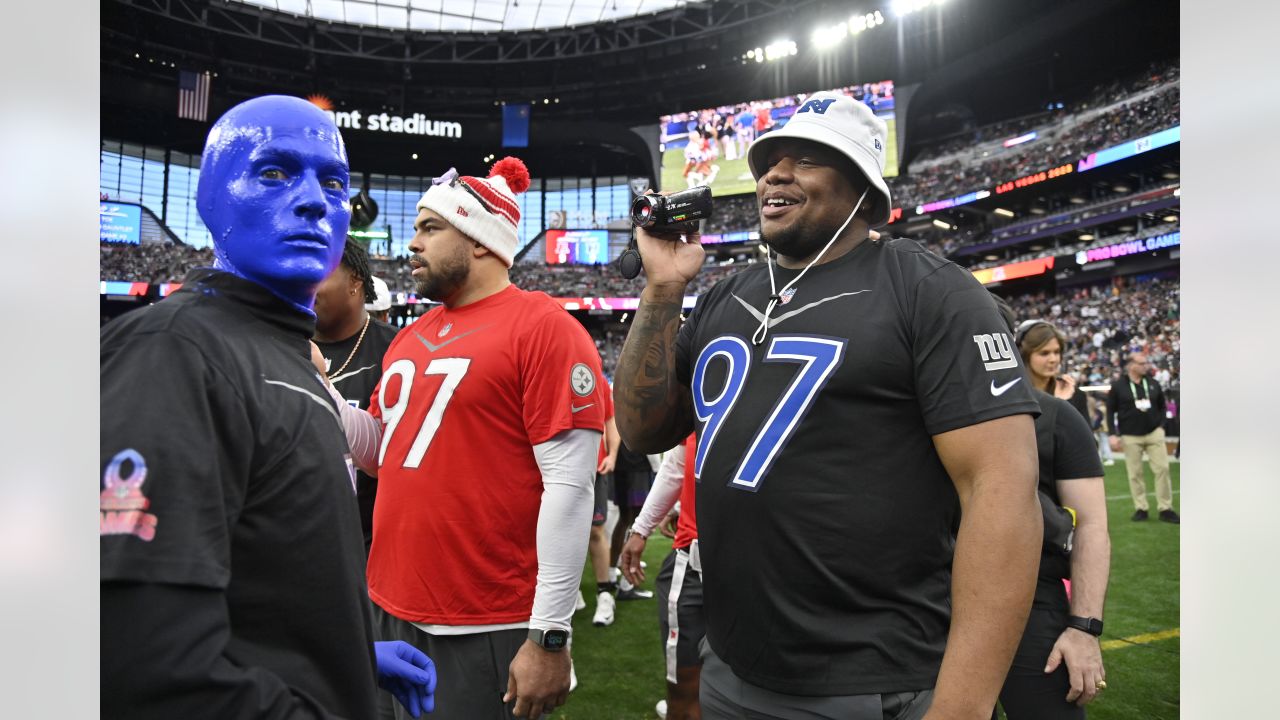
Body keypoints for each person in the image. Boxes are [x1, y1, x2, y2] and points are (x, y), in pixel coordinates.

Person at [612, 90, 1042, 720]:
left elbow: (1002, 491)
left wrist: (963, 707)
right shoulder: (726, 295)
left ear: (864, 190)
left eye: (807, 159)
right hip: (731, 667)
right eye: (770, 162)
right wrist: (662, 289)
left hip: (870, 681)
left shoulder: (928, 289)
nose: (774, 174)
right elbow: (643, 428)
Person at [101, 95, 435, 718]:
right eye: (275, 172)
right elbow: (138, 661)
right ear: (210, 198)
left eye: (333, 182)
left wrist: (348, 655)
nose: (314, 200)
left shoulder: (286, 355)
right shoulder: (174, 352)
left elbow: (265, 581)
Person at [337, 157, 609, 720]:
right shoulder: (409, 337)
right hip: (388, 603)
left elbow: (570, 488)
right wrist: (323, 392)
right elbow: (378, 457)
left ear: (482, 239)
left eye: (430, 228)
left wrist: (551, 635)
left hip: (484, 618)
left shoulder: (544, 327)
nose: (412, 243)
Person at [998, 300, 1112, 719]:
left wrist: (1084, 628)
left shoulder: (1058, 415)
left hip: (1031, 600)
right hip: (927, 608)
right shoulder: (914, 413)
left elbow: (1092, 524)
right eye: (1043, 352)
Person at [314, 239, 401, 553]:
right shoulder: (278, 342)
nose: (306, 281)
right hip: (291, 540)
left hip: (369, 547)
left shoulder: (400, 349)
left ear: (355, 282)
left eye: (319, 271)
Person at [620, 434, 703, 720]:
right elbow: (678, 464)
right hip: (696, 560)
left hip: (752, 564)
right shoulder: (699, 393)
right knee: (684, 687)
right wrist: (642, 527)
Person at [1107, 352, 1179, 523]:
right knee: (1135, 473)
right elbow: (1111, 410)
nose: (1145, 366)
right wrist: (1112, 434)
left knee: (1162, 469)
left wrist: (1161, 426)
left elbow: (1162, 406)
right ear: (1131, 365)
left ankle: (1165, 508)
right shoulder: (1118, 386)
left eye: (1146, 363)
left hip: (1154, 433)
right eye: (1141, 363)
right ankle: (1141, 508)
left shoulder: (1153, 383)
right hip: (1130, 435)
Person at [1015, 319, 1090, 422]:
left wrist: (1065, 403)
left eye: (1057, 352)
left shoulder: (1075, 395)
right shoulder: (1013, 397)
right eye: (1044, 353)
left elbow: (1085, 437)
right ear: (1025, 355)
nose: (1053, 359)